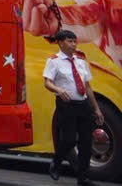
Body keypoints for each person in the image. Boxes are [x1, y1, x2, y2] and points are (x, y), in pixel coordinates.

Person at [44, 29, 104, 184]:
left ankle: (82, 178)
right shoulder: (54, 61)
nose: (73, 44)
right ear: (60, 42)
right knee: (69, 140)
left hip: (83, 105)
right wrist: (58, 89)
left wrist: (96, 109)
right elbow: (47, 82)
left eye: (74, 41)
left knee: (86, 143)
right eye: (70, 41)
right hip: (66, 105)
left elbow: (88, 87)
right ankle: (56, 163)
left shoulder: (81, 62)